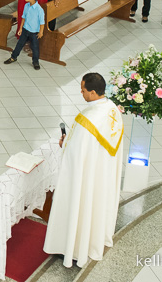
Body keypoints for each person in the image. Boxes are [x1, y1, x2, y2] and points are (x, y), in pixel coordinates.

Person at [44, 72, 123, 268]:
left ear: (94, 92)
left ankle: (73, 247)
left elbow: (75, 152)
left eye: (83, 90)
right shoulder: (112, 109)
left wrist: (65, 143)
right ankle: (94, 239)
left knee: (79, 204)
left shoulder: (88, 120)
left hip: (85, 175)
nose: (81, 93)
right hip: (101, 172)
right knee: (95, 204)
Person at [4, 0, 45, 70]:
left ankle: (35, 62)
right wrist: (20, 28)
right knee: (19, 44)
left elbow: (42, 23)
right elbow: (23, 17)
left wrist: (41, 32)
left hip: (34, 32)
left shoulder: (39, 10)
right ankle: (13, 57)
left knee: (35, 47)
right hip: (25, 29)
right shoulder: (26, 6)